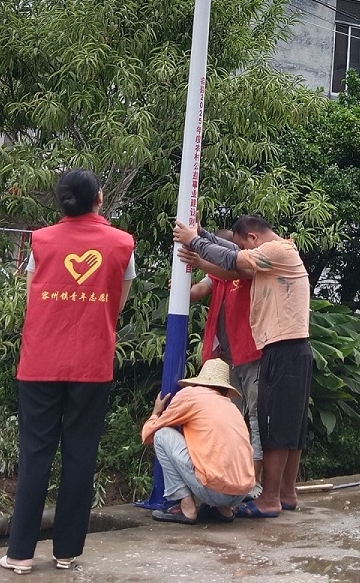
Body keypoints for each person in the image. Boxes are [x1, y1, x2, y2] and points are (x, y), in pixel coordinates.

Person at [0, 169, 136, 576]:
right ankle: (66, 552)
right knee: (80, 454)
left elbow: (32, 297)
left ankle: (21, 554)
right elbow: (119, 303)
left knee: (35, 453)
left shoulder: (40, 241)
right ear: (98, 198)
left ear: (62, 202)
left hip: (40, 362)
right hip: (92, 363)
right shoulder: (122, 244)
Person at [172, 213, 310, 518]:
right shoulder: (275, 254)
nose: (241, 250)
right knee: (289, 426)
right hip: (290, 347)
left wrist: (193, 241)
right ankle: (285, 494)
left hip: (280, 347)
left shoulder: (275, 251)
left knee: (271, 426)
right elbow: (229, 255)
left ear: (253, 239)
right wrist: (202, 234)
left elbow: (233, 261)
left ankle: (269, 498)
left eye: (243, 245)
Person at [139, 357, 258, 523]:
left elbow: (148, 435)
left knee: (162, 435)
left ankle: (186, 508)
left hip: (216, 490)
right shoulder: (231, 406)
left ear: (200, 381)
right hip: (242, 492)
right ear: (224, 389)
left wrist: (156, 412)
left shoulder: (191, 395)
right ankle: (224, 511)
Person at [186, 229, 263, 486]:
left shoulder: (246, 270)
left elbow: (229, 270)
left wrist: (199, 259)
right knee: (228, 421)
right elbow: (198, 291)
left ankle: (253, 482)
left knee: (255, 418)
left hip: (251, 354)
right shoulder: (217, 276)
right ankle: (230, 479)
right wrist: (182, 285)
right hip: (225, 360)